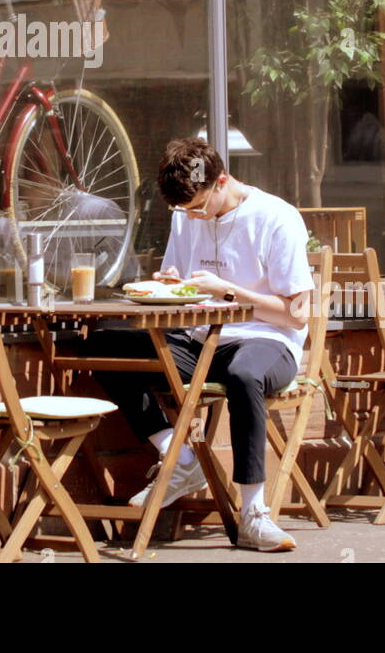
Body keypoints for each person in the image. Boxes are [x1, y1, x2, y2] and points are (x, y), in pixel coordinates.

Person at [86, 136, 313, 552]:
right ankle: (181, 457)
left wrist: (229, 290)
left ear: (222, 181)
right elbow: (182, 280)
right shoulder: (185, 216)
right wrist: (170, 283)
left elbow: (296, 313)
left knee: (246, 376)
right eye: (182, 211)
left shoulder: (276, 217)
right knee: (102, 345)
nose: (191, 217)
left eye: (198, 207)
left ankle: (254, 514)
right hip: (198, 338)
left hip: (266, 340)